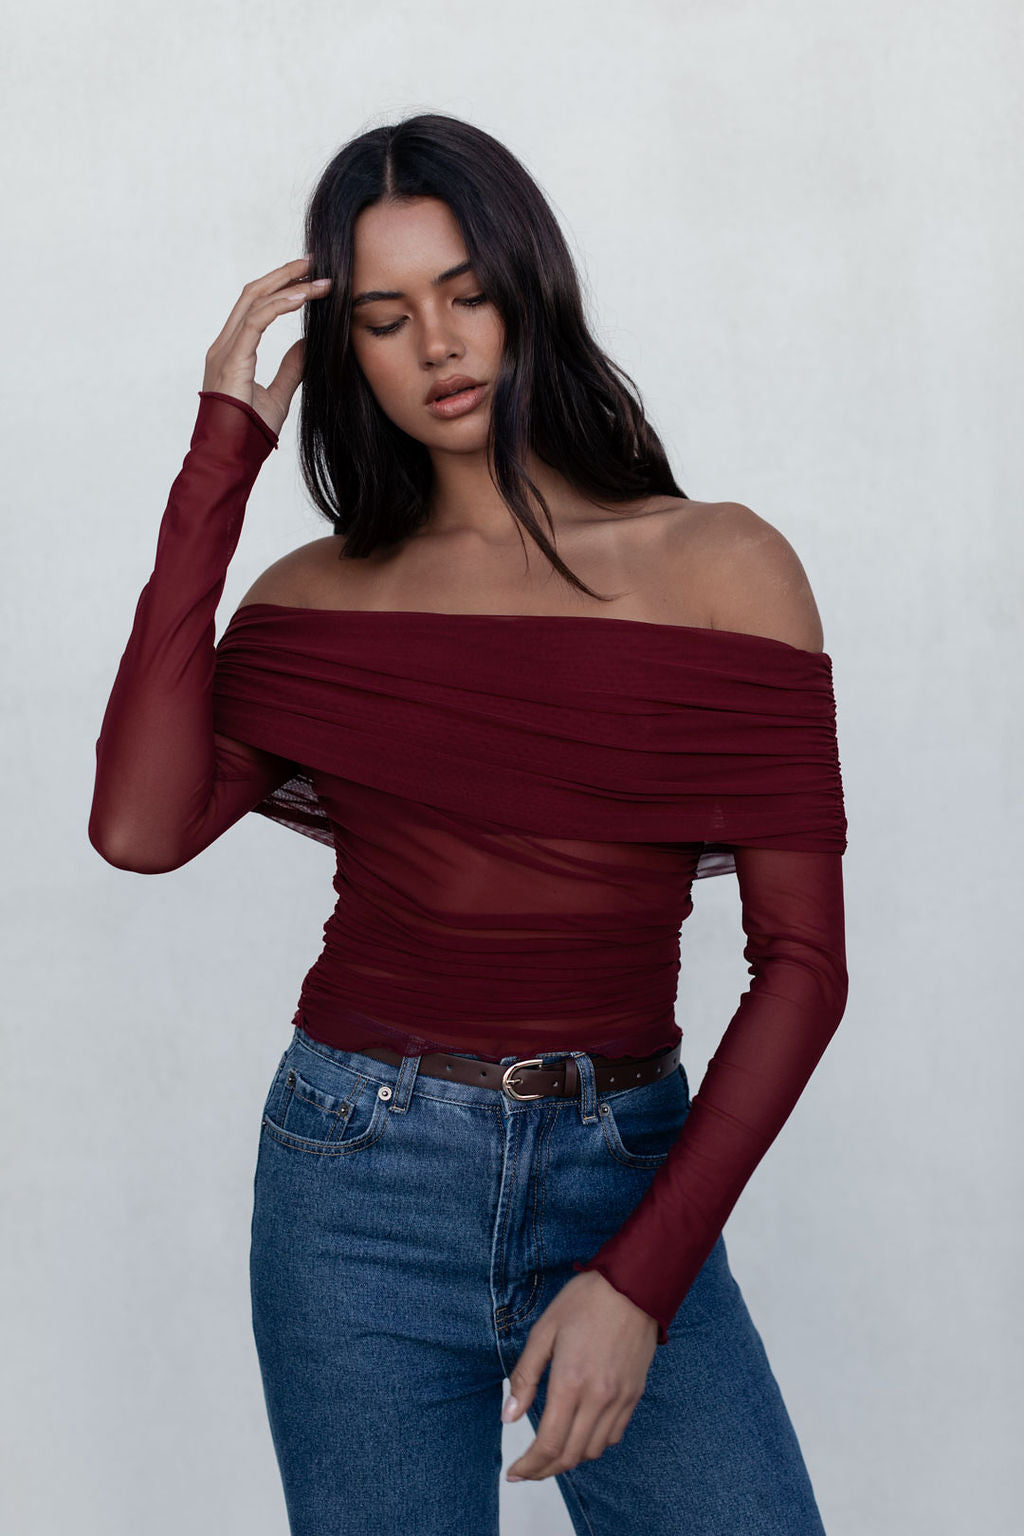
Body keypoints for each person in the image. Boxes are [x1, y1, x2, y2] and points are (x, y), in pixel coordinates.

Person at [89, 112, 848, 1535]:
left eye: (466, 295)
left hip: (627, 1172)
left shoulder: (722, 567)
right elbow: (139, 828)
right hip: (352, 1174)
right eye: (384, 317)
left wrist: (639, 1283)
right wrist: (220, 460)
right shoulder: (314, 599)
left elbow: (803, 972)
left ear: (527, 291)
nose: (437, 346)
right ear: (346, 355)